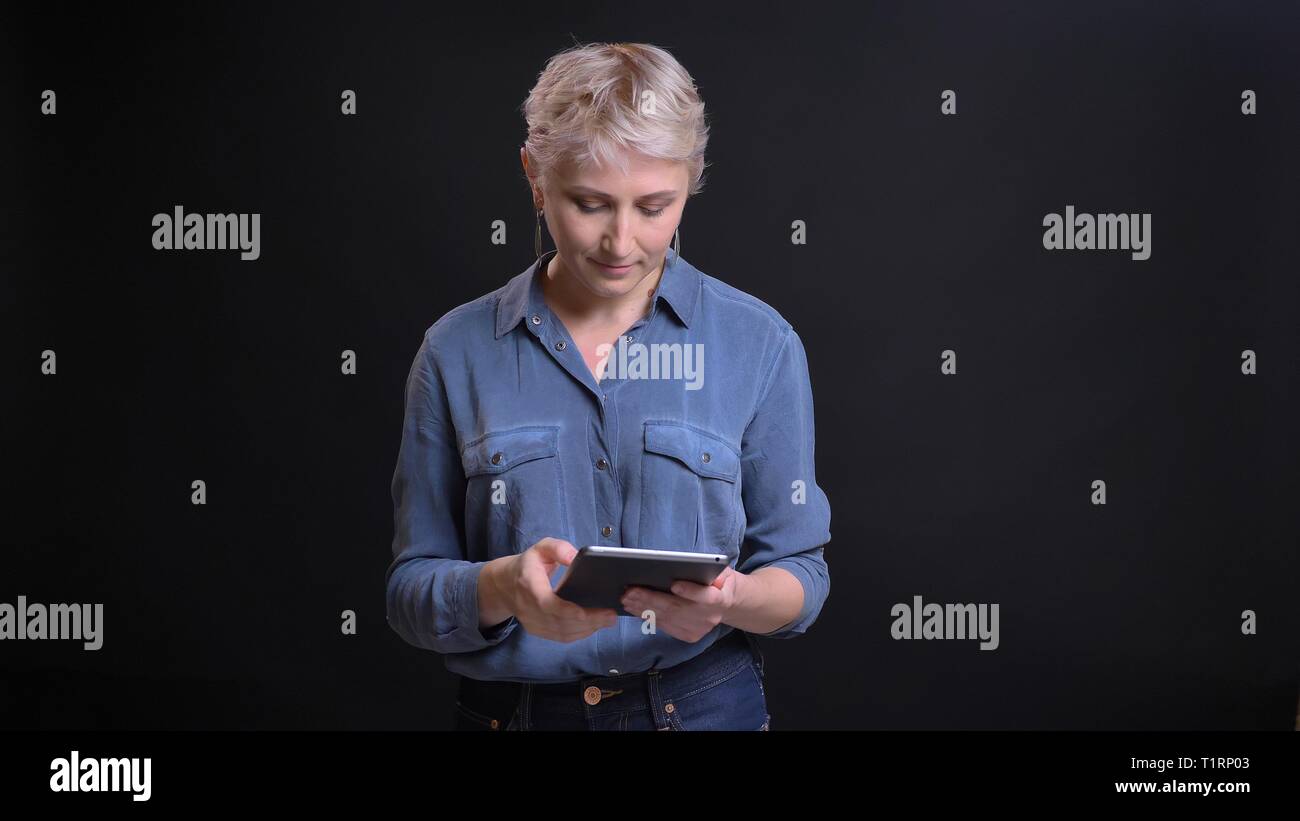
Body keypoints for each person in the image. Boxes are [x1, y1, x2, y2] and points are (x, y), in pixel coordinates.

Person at [386, 42, 831, 731]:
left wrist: (732, 599)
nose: (622, 242)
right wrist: (501, 586)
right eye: (589, 204)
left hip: (706, 708)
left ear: (693, 177)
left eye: (655, 206)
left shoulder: (760, 343)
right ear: (535, 176)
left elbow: (800, 576)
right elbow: (410, 592)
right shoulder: (455, 351)